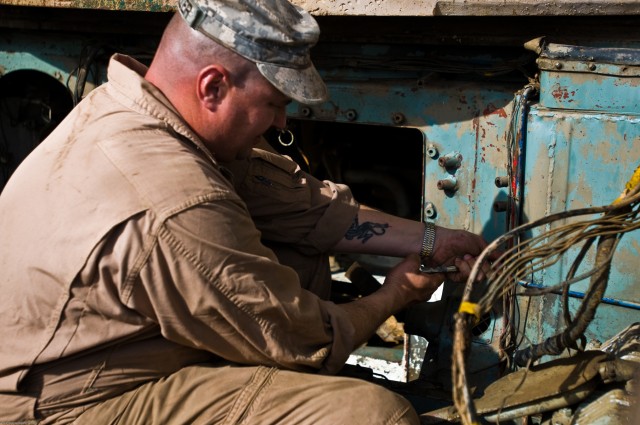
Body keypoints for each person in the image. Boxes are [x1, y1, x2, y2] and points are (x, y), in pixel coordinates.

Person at [0, 0, 493, 423]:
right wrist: (397, 293)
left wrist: (433, 240)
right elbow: (307, 342)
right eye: (274, 103)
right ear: (212, 87)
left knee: (298, 259)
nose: (281, 120)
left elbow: (301, 204)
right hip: (59, 405)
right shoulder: (174, 200)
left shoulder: (130, 110)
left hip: (85, 353)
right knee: (373, 414)